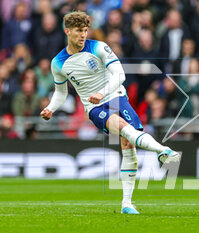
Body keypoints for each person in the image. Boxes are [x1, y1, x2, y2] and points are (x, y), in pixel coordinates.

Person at [40, 11, 179, 215]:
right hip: (95, 108)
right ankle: (162, 150)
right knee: (123, 128)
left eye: (85, 31)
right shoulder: (58, 63)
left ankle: (126, 204)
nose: (83, 35)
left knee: (128, 143)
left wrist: (102, 92)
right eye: (79, 31)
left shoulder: (98, 47)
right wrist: (50, 108)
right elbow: (60, 92)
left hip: (116, 96)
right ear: (67, 31)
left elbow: (120, 74)